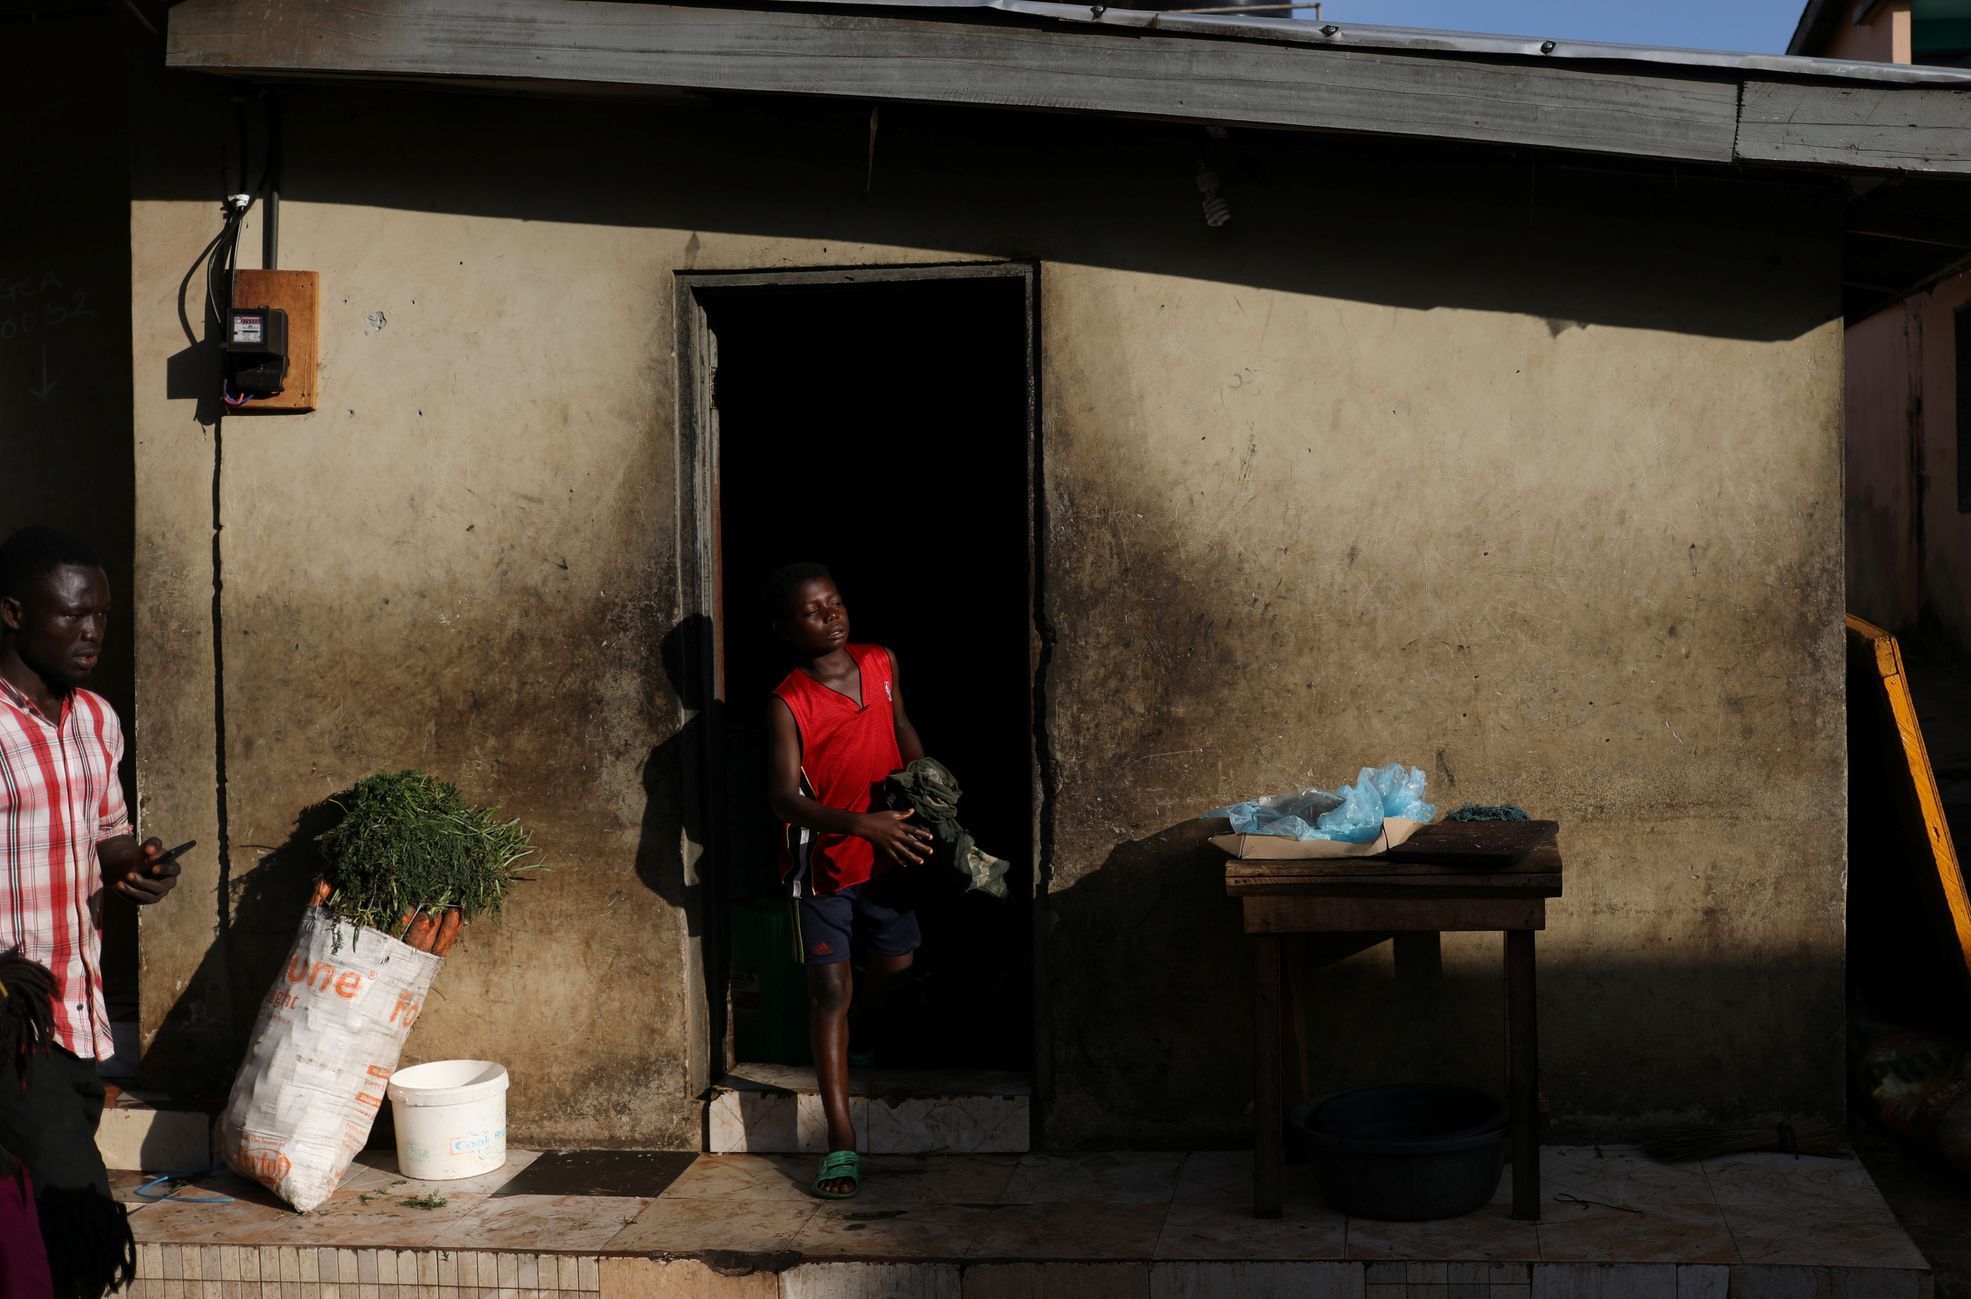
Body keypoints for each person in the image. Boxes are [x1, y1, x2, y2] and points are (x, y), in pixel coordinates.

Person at [0, 526, 183, 1299]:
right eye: (73, 616)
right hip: (12, 1030)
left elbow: (108, 832)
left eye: (101, 615)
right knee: (80, 1223)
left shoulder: (96, 720)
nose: (92, 632)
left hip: (83, 1020)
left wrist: (138, 865)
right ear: (13, 613)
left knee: (41, 1228)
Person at [763, 563, 933, 1199]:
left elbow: (900, 727)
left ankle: (857, 1038)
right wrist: (861, 825)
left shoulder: (882, 662)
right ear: (785, 628)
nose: (830, 615)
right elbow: (783, 799)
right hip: (826, 863)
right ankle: (840, 1141)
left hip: (893, 853)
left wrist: (927, 780)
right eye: (812, 611)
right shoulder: (788, 702)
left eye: (835, 602)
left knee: (895, 966)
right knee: (830, 992)